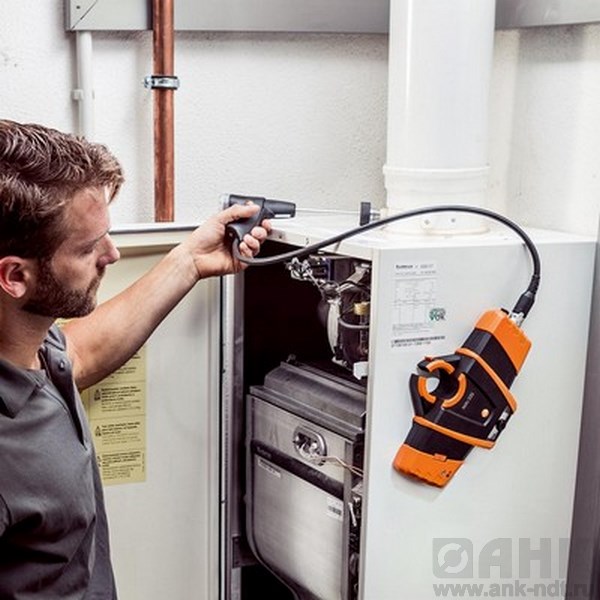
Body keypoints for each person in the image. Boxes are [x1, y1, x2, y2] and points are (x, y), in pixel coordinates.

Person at [0, 119, 270, 599]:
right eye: (88, 247)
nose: (112, 254)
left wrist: (188, 261)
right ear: (15, 276)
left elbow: (81, 351)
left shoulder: (33, 353)